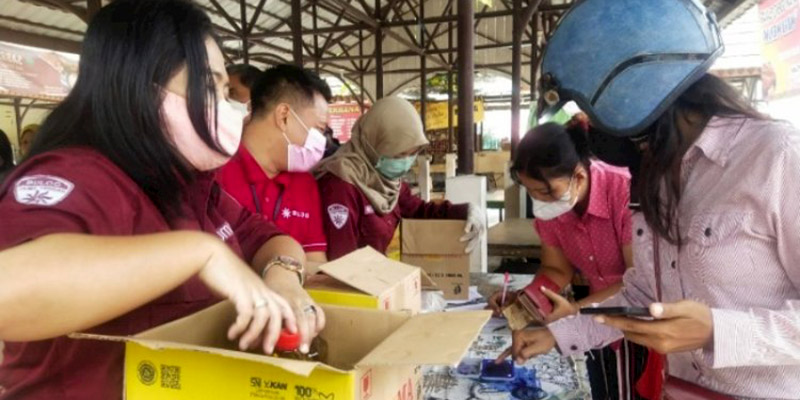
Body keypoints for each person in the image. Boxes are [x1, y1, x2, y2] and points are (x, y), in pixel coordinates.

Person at [0, 1, 323, 398]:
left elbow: (265, 236)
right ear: (142, 82)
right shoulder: (79, 179)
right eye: (210, 86)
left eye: (226, 91)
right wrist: (200, 254)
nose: (230, 109)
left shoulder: (189, 184)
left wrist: (284, 277)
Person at [501, 0, 800, 398]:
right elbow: (641, 295)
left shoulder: (777, 156)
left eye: (594, 116)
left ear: (637, 96)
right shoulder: (657, 175)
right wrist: (558, 333)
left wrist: (719, 330)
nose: (592, 133)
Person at [487, 121, 649, 399]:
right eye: (531, 191)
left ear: (579, 177)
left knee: (630, 389)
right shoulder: (553, 208)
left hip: (635, 317)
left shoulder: (624, 191)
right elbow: (555, 269)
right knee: (603, 386)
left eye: (546, 191)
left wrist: (575, 310)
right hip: (592, 319)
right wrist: (525, 301)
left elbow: (637, 282)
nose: (539, 201)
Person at [315, 96, 485, 261]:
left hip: (374, 279)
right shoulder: (340, 185)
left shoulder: (388, 181)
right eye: (399, 154)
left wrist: (464, 211)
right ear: (373, 144)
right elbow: (342, 264)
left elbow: (417, 210)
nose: (405, 162)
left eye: (412, 153)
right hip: (350, 284)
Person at [218, 64, 331, 264]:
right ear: (284, 116)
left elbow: (315, 262)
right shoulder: (214, 174)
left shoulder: (305, 184)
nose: (321, 141)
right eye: (319, 129)